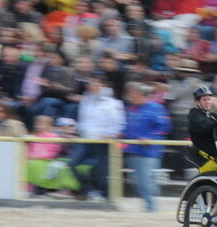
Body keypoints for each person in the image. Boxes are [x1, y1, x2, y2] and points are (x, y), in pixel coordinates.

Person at [73, 74, 127, 201]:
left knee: (101, 170)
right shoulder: (86, 101)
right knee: (72, 164)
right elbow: (83, 120)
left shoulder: (113, 103)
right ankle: (88, 189)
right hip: (86, 139)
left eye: (95, 83)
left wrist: (109, 134)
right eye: (90, 83)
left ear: (103, 85)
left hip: (102, 141)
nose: (91, 86)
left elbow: (118, 123)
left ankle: (101, 192)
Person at [124, 82, 172, 212]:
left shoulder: (155, 108)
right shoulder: (130, 109)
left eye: (133, 94)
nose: (130, 96)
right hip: (133, 149)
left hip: (149, 151)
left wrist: (151, 138)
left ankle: (151, 206)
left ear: (141, 95)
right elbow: (127, 128)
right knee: (137, 179)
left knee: (145, 179)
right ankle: (149, 202)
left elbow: (164, 128)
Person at [187, 85, 217, 174]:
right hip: (208, 156)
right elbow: (204, 126)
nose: (207, 102)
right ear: (197, 102)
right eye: (204, 100)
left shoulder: (211, 115)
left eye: (209, 99)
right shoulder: (195, 114)